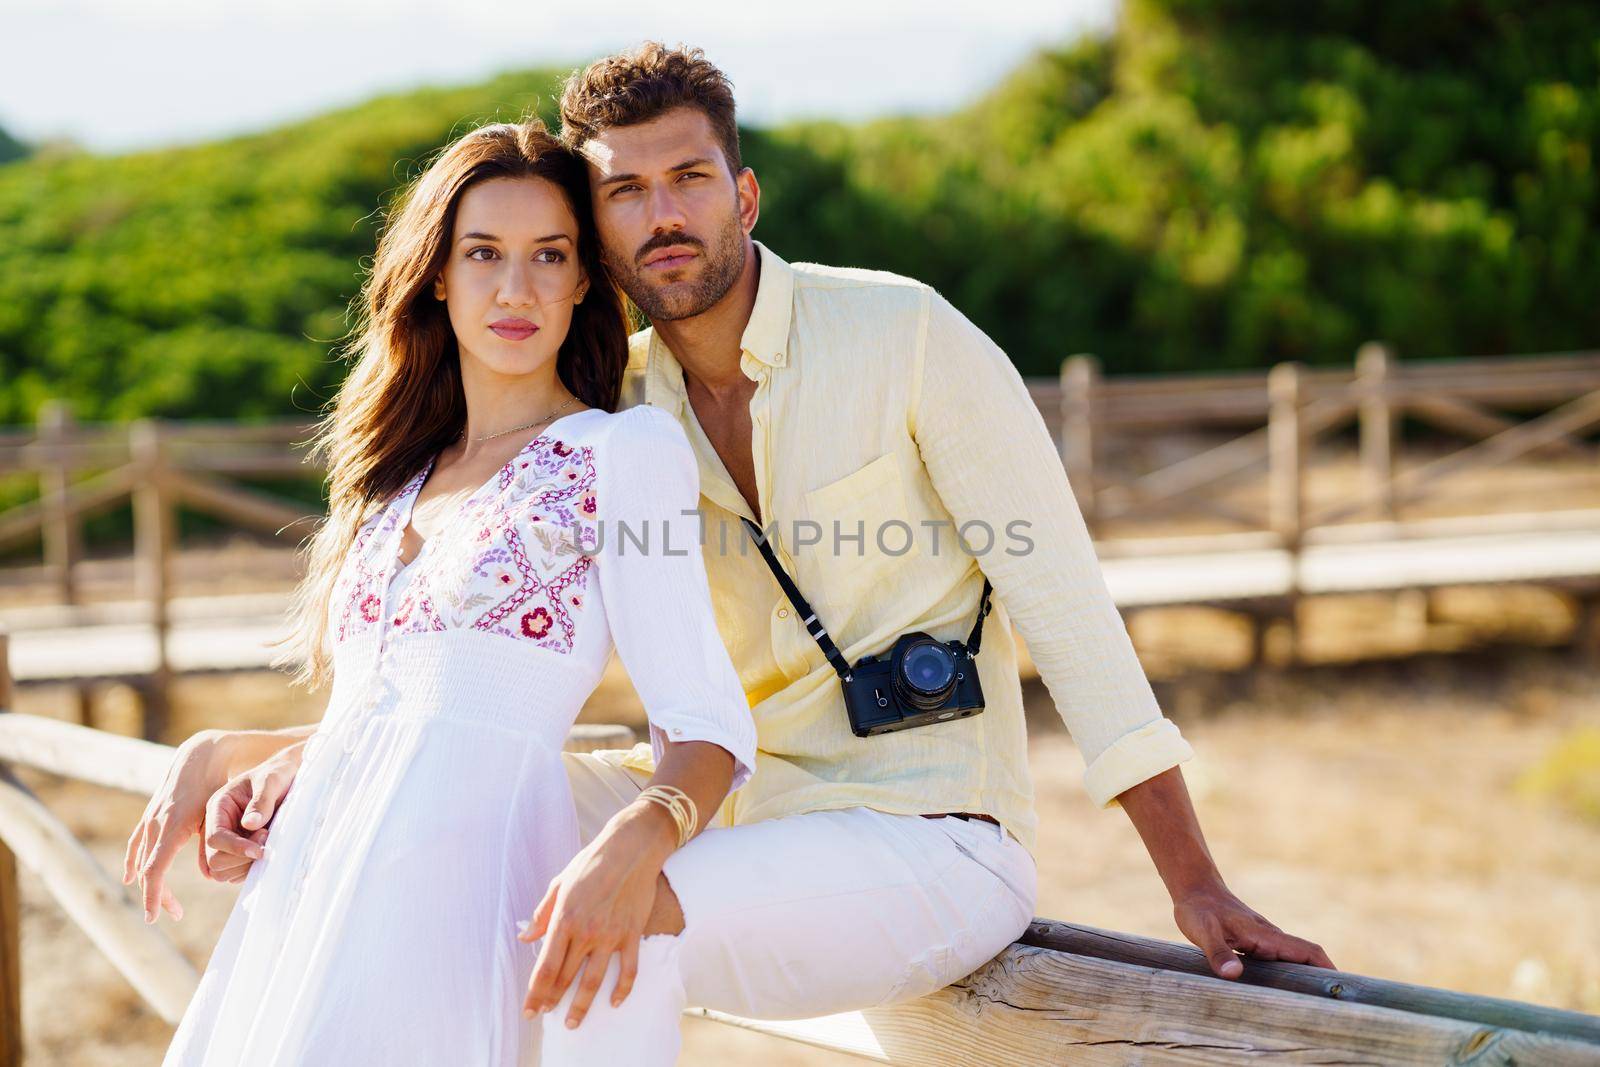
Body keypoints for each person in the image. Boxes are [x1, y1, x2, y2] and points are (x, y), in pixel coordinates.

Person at [150, 42, 1338, 1065]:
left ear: (745, 194)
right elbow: (469, 694)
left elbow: (1069, 614)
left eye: (690, 179)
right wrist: (306, 755)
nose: (663, 215)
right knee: (410, 819)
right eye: (624, 192)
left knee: (623, 907)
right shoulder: (609, 406)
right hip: (730, 805)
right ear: (595, 226)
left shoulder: (905, 333)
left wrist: (1194, 880)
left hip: (923, 829)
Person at [124, 117, 757, 1066]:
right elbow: (399, 715)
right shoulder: (393, 481)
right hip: (306, 900)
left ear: (585, 280)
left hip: (458, 914)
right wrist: (225, 751)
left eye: (550, 255)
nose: (516, 288)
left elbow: (707, 725)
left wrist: (636, 845)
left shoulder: (619, 454)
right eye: (484, 253)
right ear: (437, 275)